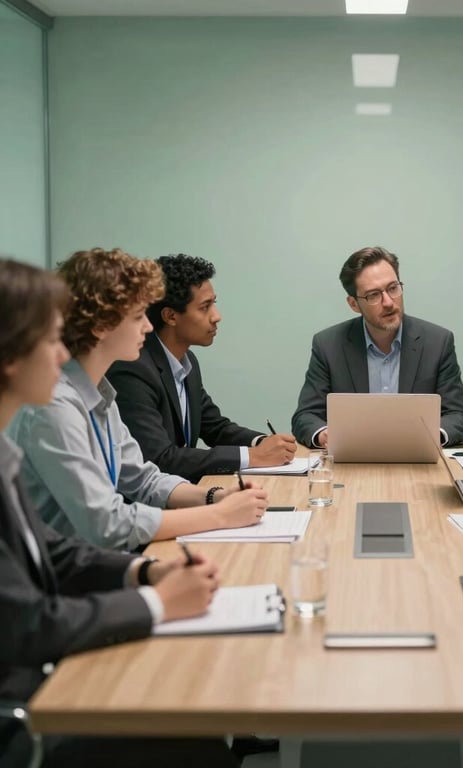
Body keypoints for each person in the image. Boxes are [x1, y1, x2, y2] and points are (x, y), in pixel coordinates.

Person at [0, 258, 240, 768]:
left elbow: (56, 545)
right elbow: (31, 620)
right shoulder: (50, 410)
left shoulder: (91, 401)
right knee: (200, 745)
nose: (64, 352)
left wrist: (147, 569)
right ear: (11, 359)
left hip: (69, 615)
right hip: (34, 686)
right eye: (51, 340)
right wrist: (157, 601)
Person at [8, 248, 268, 551]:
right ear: (100, 325)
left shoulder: (99, 392)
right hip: (72, 580)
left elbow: (144, 479)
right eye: (137, 316)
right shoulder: (54, 408)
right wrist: (218, 515)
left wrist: (213, 497)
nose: (147, 326)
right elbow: (108, 525)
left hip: (100, 565)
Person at [108, 254, 296, 483]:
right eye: (205, 307)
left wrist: (262, 443)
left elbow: (215, 428)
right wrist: (252, 456)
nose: (217, 317)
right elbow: (160, 458)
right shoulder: (133, 370)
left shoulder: (187, 361)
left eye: (213, 304)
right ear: (171, 316)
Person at [291, 246, 463, 448]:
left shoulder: (438, 342)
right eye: (373, 295)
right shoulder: (328, 345)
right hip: (351, 462)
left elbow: (458, 415)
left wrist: (430, 437)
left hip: (418, 461)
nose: (388, 302)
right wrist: (325, 434)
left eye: (393, 288)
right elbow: (305, 416)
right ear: (353, 304)